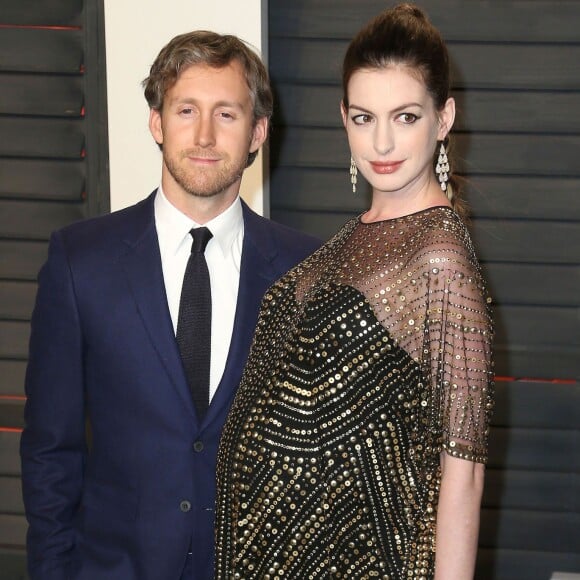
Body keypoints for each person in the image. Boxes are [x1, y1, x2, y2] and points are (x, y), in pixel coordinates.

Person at [20, 30, 320, 580]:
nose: (204, 134)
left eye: (227, 114)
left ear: (257, 133)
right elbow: (49, 451)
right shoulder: (80, 261)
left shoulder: (307, 271)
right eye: (187, 110)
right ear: (157, 122)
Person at [215, 4, 494, 579]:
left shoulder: (439, 256)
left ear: (444, 119)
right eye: (364, 118)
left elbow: (461, 466)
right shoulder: (351, 237)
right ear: (343, 118)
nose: (383, 142)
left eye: (406, 116)